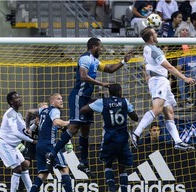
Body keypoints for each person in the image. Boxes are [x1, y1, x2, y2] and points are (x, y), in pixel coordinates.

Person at [47, 37, 133, 177]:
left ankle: (84, 162)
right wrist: (101, 84)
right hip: (78, 96)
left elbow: (110, 69)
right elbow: (83, 76)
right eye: (100, 46)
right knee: (74, 127)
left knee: (86, 130)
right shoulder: (85, 59)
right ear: (93, 46)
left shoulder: (94, 60)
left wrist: (124, 61)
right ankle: (52, 153)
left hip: (87, 98)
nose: (101, 49)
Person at [129, 26, 195, 152]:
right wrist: (184, 78)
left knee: (169, 112)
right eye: (155, 33)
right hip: (159, 81)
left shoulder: (147, 49)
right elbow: (170, 67)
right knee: (157, 109)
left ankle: (178, 142)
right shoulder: (155, 51)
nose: (157, 35)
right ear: (151, 37)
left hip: (160, 81)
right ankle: (136, 133)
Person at [80, 84, 138, 192]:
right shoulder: (124, 101)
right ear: (120, 91)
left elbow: (83, 109)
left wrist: (92, 104)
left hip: (109, 140)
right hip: (123, 140)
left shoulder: (103, 102)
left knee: (108, 165)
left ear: (109, 92)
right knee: (123, 169)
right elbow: (135, 117)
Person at [25, 93, 84, 192]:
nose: (61, 101)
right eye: (59, 99)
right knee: (64, 168)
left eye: (62, 99)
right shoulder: (54, 110)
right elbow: (56, 122)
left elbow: (28, 112)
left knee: (44, 172)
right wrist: (70, 122)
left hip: (40, 145)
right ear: (52, 102)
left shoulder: (43, 110)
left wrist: (27, 127)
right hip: (50, 145)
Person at [0, 91, 38, 192]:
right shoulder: (10, 114)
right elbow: (15, 133)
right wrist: (32, 141)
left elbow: (25, 130)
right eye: (15, 98)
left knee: (24, 165)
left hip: (12, 146)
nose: (19, 99)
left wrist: (35, 124)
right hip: (4, 144)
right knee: (17, 169)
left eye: (19, 96)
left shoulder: (18, 115)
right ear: (11, 102)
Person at [16, 102, 48, 192]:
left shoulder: (49, 121)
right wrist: (35, 124)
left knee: (46, 169)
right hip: (31, 145)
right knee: (25, 165)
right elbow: (25, 131)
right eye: (43, 110)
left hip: (42, 146)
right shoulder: (31, 121)